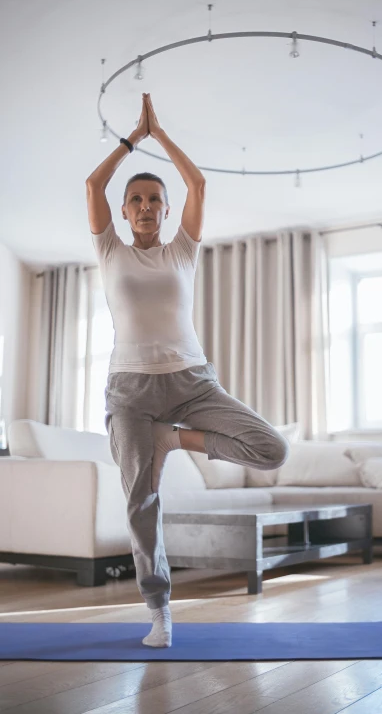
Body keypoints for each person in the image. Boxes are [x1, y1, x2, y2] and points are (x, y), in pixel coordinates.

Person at [85, 93, 289, 648]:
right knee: (139, 501)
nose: (146, 206)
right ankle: (160, 609)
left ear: (166, 210)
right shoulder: (109, 251)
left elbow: (199, 185)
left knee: (272, 449)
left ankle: (171, 440)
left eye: (155, 199)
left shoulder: (181, 252)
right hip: (129, 393)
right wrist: (133, 139)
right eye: (137, 199)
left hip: (193, 383)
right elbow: (90, 187)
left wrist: (161, 134)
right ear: (124, 211)